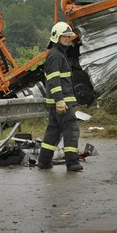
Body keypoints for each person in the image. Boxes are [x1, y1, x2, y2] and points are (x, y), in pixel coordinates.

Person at [37, 22, 83, 172]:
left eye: (68, 36)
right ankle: (72, 163)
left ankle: (44, 161)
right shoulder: (55, 55)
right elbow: (54, 81)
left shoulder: (57, 54)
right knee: (71, 130)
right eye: (64, 36)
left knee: (54, 131)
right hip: (62, 102)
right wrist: (60, 101)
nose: (67, 39)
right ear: (56, 36)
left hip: (58, 102)